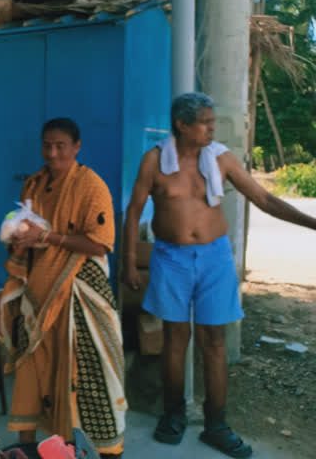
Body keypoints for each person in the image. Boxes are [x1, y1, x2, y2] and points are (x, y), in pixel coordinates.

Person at [123, 92, 316, 458]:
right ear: (182, 125)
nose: (213, 128)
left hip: (214, 259)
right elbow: (134, 211)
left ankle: (217, 424)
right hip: (170, 258)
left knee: (214, 341)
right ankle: (173, 415)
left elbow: (264, 199)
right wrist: (130, 261)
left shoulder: (221, 158)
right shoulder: (155, 161)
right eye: (206, 123)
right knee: (175, 339)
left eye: (213, 122)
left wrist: (312, 223)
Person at [1, 117, 126, 458]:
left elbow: (100, 244)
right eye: (47, 145)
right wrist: (20, 240)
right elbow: (23, 238)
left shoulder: (91, 186)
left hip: (77, 301)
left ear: (76, 147)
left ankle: (94, 452)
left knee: (84, 382)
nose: (53, 153)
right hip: (37, 300)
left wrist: (46, 236)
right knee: (31, 378)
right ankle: (29, 451)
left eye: (60, 146)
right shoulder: (33, 185)